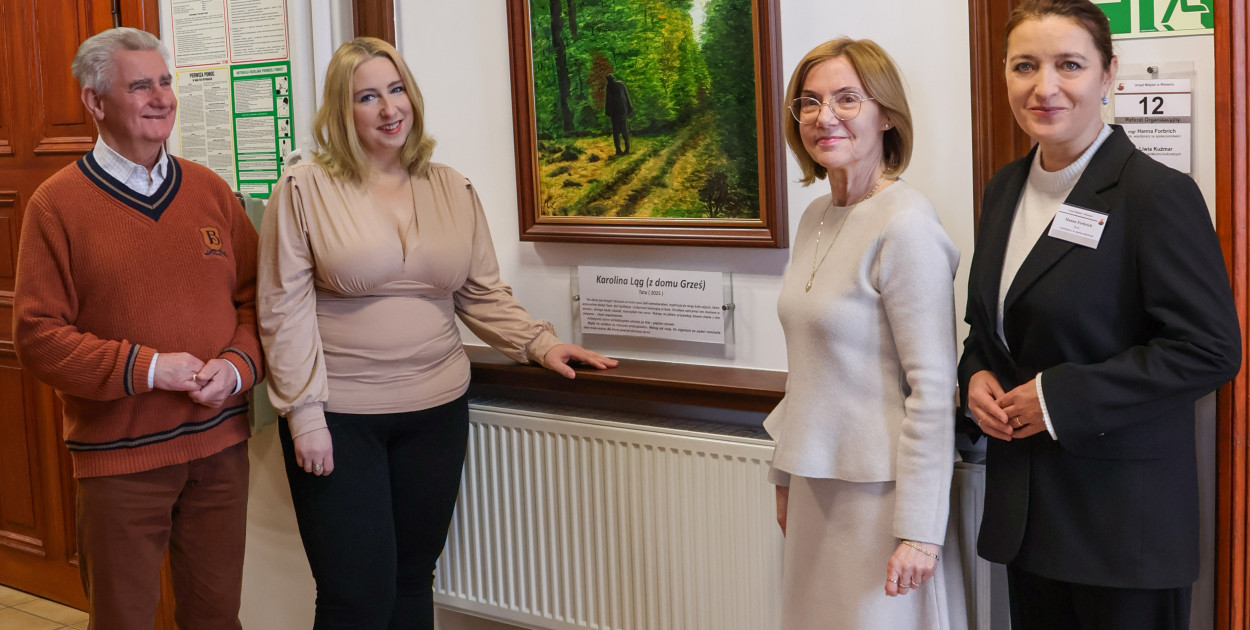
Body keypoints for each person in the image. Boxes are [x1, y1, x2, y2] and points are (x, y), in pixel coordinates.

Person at [257, 37, 617, 629]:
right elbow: (282, 309)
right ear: (341, 111)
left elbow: (480, 291)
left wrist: (541, 343)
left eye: (396, 90)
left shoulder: (452, 186)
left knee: (411, 583)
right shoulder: (304, 188)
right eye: (367, 97)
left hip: (436, 412)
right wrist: (305, 414)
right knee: (355, 598)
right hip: (341, 418)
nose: (388, 108)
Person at [958, 1, 1241, 627]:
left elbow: (1210, 351)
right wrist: (974, 375)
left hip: (1123, 532)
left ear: (1108, 74)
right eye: (1024, 66)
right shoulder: (1003, 190)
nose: (1044, 87)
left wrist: (1056, 398)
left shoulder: (1156, 194)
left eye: (1069, 65)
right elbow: (992, 327)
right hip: (1028, 521)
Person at [12, 27, 262, 630]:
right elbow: (38, 335)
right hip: (119, 462)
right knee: (122, 620)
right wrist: (148, 368)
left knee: (217, 619)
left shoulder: (210, 191)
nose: (161, 98)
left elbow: (258, 303)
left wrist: (237, 368)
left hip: (220, 452)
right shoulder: (55, 205)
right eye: (140, 86)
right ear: (94, 102)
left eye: (166, 82)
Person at [764, 37, 966, 629]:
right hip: (815, 482)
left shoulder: (907, 224)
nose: (823, 116)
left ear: (886, 116)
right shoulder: (815, 216)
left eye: (847, 99)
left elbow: (933, 388)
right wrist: (785, 474)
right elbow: (807, 369)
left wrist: (921, 533)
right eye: (809, 102)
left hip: (883, 498)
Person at [605, 73, 633, 155]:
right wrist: (629, 107)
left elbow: (608, 100)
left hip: (618, 112)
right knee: (621, 131)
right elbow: (609, 100)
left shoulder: (615, 85)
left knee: (619, 131)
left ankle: (623, 149)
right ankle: (622, 149)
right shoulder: (619, 85)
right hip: (619, 112)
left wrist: (608, 111)